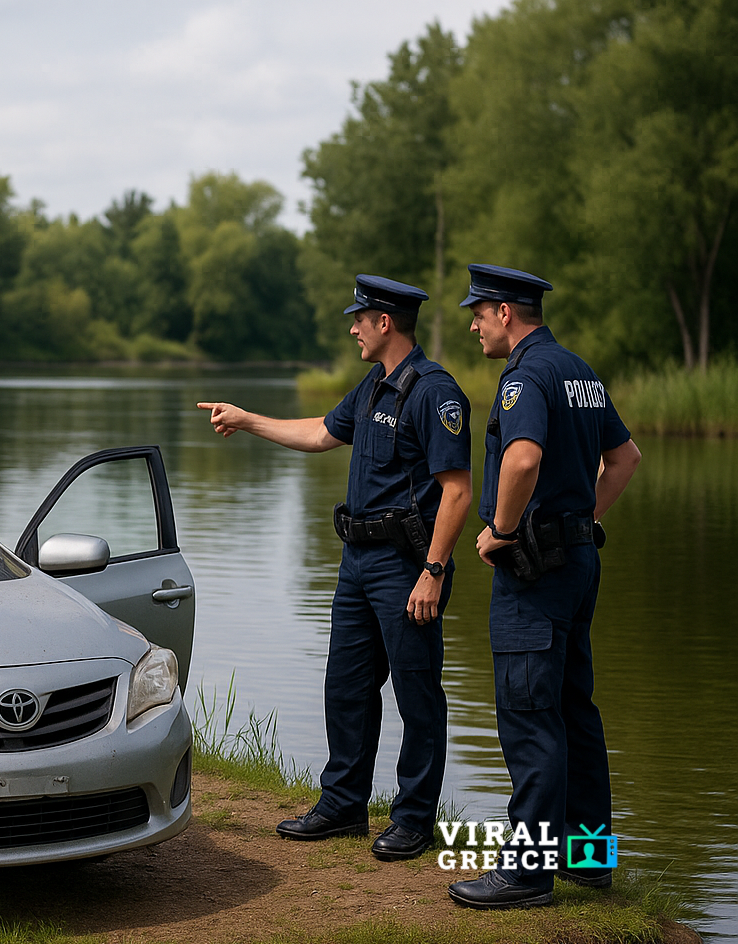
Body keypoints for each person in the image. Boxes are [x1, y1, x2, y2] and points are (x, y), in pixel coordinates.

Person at [198, 275, 472, 861]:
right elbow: (322, 433)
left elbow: (457, 493)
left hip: (406, 565)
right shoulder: (373, 386)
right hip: (356, 563)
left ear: (385, 323)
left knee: (417, 693)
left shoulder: (433, 392)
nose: (352, 328)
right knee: (345, 687)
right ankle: (343, 804)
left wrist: (434, 570)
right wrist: (248, 420)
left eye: (359, 319)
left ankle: (415, 818)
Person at [447, 264, 641, 909]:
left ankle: (526, 875)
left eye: (479, 312)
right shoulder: (580, 371)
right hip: (579, 564)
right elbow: (625, 459)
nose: (473, 323)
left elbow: (524, 458)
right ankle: (588, 863)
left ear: (507, 312)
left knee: (531, 717)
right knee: (575, 713)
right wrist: (581, 521)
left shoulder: (526, 375)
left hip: (536, 572)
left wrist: (502, 530)